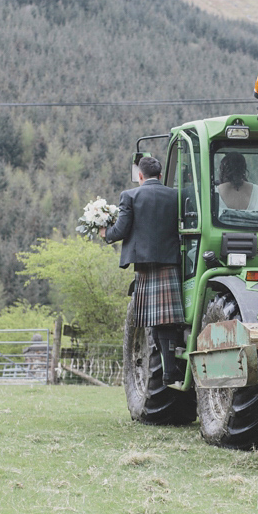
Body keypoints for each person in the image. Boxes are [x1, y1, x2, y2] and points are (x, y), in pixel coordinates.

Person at [100, 156, 184, 386]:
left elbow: (121, 229)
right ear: (160, 174)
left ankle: (166, 371)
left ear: (140, 175)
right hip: (171, 262)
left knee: (153, 321)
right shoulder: (176, 195)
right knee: (167, 321)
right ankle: (170, 369)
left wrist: (104, 233)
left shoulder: (130, 195)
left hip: (146, 267)